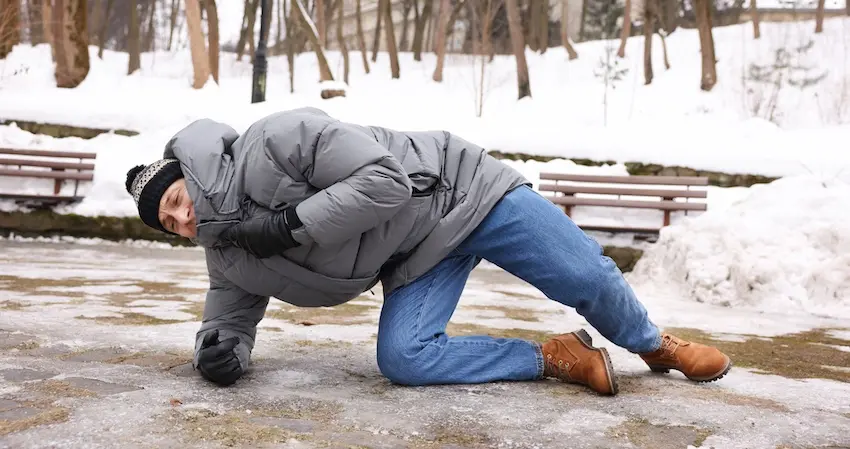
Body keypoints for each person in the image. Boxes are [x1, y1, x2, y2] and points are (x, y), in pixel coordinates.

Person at [125, 107, 731, 395]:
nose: (182, 217)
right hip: (416, 255)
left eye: (177, 198)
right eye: (170, 223)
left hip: (460, 190)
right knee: (404, 359)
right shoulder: (228, 254)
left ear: (190, 174)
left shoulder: (276, 141)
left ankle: (655, 345)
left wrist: (287, 225)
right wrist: (216, 351)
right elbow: (228, 317)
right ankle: (556, 357)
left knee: (583, 276)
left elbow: (385, 181)